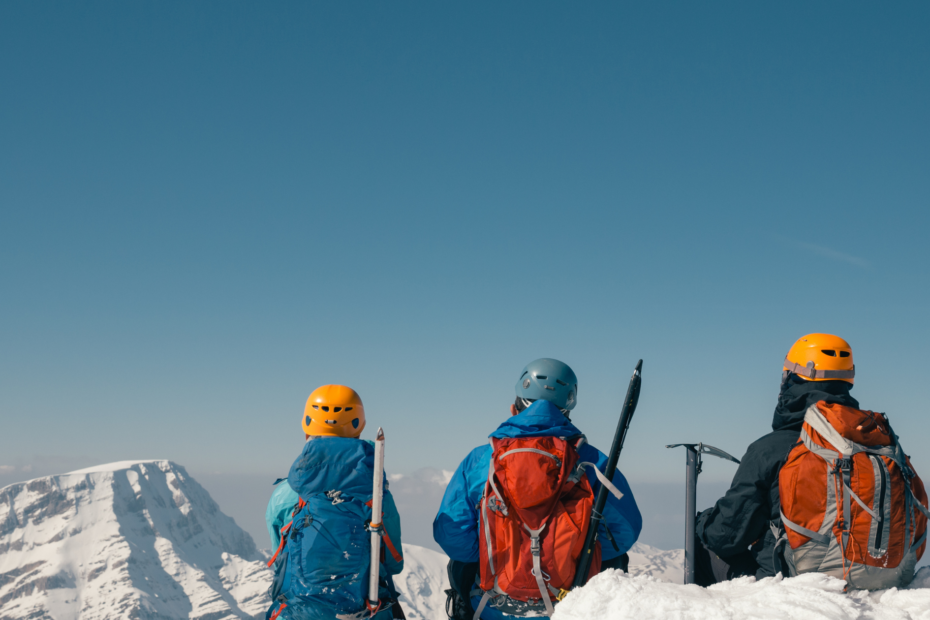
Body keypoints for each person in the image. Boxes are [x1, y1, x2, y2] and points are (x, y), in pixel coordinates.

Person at [434, 358, 642, 620]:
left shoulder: (481, 460)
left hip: (492, 605)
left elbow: (451, 535)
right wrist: (579, 556)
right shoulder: (593, 462)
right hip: (568, 608)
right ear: (569, 405)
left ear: (515, 406)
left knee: (460, 567)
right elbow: (624, 533)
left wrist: (495, 556)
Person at [695, 333, 862, 584]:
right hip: (866, 574)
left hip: (783, 580)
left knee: (702, 541)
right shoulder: (874, 444)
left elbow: (725, 537)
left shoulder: (770, 450)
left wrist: (703, 522)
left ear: (790, 378)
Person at [265, 385, 405, 620]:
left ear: (307, 425)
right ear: (358, 425)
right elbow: (393, 562)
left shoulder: (286, 493)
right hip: (365, 610)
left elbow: (281, 555)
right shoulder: (375, 492)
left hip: (298, 613)